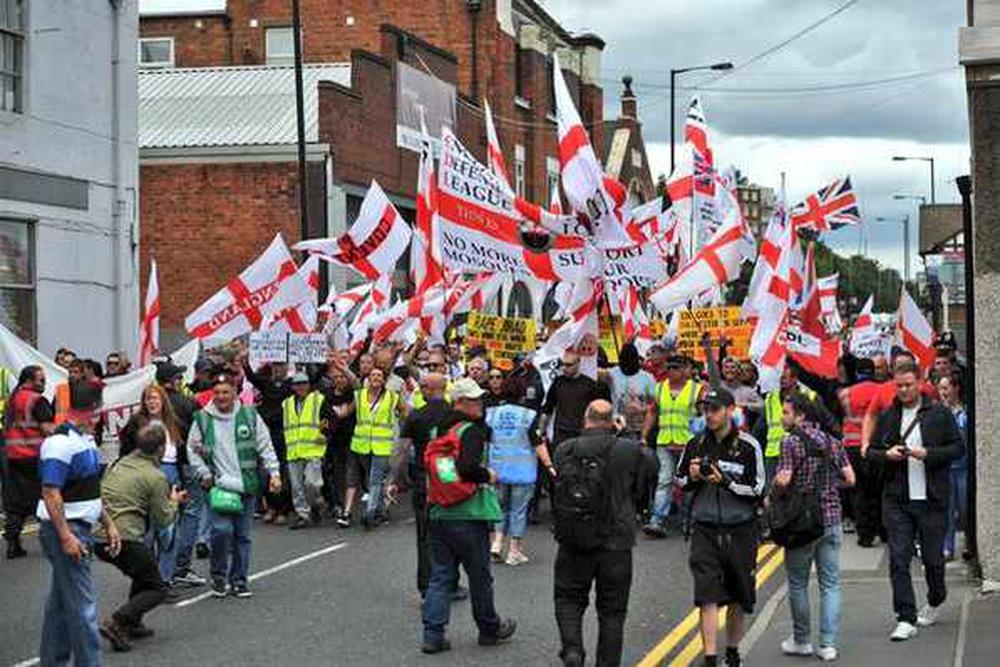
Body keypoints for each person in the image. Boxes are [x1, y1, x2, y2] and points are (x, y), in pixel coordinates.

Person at [552, 400, 657, 667]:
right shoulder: (628, 450)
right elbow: (653, 468)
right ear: (613, 420)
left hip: (574, 536)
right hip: (616, 540)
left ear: (585, 418)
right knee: (612, 612)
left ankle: (573, 650)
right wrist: (625, 435)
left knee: (568, 598)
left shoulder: (565, 449)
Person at [868, 361, 964, 641]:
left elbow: (958, 448)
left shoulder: (938, 414)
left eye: (908, 384)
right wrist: (887, 455)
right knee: (898, 558)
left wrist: (928, 454)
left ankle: (936, 597)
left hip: (932, 500)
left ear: (920, 382)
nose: (904, 390)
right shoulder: (887, 417)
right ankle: (905, 617)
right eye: (898, 386)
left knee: (933, 561)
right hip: (897, 500)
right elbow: (871, 452)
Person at [421, 378, 516, 654]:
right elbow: (465, 468)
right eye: (474, 400)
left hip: (439, 512)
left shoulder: (438, 431)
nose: (480, 404)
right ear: (460, 402)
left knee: (441, 576)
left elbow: (438, 470)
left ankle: (433, 635)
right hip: (469, 514)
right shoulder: (470, 431)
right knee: (479, 576)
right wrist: (487, 474)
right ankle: (489, 629)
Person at [676, 388, 765, 667]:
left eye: (714, 409)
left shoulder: (748, 445)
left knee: (738, 596)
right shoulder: (696, 442)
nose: (709, 415)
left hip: (740, 530)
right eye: (705, 409)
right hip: (705, 529)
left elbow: (759, 488)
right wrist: (692, 479)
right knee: (707, 595)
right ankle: (711, 658)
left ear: (729, 410)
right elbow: (679, 481)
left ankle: (733, 651)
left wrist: (725, 481)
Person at [36, 399, 120, 667]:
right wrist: (65, 536)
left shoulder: (85, 440)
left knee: (60, 605)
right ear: (80, 412)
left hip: (77, 526)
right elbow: (50, 492)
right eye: (94, 413)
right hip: (68, 529)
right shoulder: (59, 443)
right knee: (84, 608)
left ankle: (53, 662)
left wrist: (108, 523)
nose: (98, 419)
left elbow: (90, 490)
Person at [773, 394, 855, 662]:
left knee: (798, 583)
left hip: (802, 523)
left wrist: (773, 492)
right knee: (830, 584)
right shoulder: (833, 442)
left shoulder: (791, 441)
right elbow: (850, 479)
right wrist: (829, 487)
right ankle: (828, 645)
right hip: (831, 519)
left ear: (800, 416)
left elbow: (784, 480)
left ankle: (802, 640)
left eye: (786, 412)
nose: (781, 417)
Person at [187, 374, 282, 598]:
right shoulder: (202, 419)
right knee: (221, 530)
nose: (221, 397)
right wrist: (203, 473)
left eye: (226, 392)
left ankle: (239, 580)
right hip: (218, 486)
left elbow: (265, 444)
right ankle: (219, 577)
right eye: (217, 392)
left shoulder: (249, 415)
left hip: (246, 485)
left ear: (235, 393)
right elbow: (192, 449)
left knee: (242, 535)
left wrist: (274, 473)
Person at [95, 424, 185, 652]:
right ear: (161, 449)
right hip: (123, 538)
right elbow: (164, 519)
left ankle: (133, 623)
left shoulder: (118, 463)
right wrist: (174, 501)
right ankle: (116, 621)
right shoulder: (155, 476)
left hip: (97, 535)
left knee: (143, 571)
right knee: (157, 588)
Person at [118, 383, 198, 589]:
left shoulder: (175, 423)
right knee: (148, 533)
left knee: (169, 531)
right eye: (148, 398)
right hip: (145, 475)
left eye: (155, 398)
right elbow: (125, 450)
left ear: (163, 401)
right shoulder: (137, 423)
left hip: (172, 475)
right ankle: (148, 578)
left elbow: (185, 452)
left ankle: (165, 580)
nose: (152, 402)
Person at [154, 360, 206, 583]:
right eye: (179, 378)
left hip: (160, 465)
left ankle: (162, 566)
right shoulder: (189, 403)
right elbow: (204, 432)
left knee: (165, 515)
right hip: (187, 463)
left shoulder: (152, 405)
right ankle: (180, 567)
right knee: (191, 513)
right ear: (174, 381)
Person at [641, 354, 703, 538]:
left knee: (688, 484)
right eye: (669, 368)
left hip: (688, 444)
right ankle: (656, 521)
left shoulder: (697, 390)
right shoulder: (660, 388)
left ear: (685, 370)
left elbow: (704, 416)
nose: (671, 371)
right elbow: (653, 412)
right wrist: (644, 435)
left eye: (676, 368)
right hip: (665, 442)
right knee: (664, 481)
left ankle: (689, 521)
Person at [486, 388, 548, 566]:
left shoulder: (492, 414)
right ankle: (514, 551)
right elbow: (537, 443)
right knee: (518, 511)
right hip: (522, 471)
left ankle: (497, 544)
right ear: (522, 396)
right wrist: (549, 465)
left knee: (500, 508)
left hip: (498, 469)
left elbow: (487, 441)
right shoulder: (528, 415)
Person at [343, 367, 407, 528]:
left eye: (379, 375)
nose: (376, 377)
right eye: (373, 375)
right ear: (368, 380)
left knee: (375, 479)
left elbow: (404, 410)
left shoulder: (392, 397)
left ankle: (369, 513)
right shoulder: (359, 396)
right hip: (361, 445)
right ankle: (380, 510)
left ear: (384, 380)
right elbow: (347, 412)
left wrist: (400, 423)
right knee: (371, 480)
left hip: (382, 445)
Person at [3, 365, 55, 558]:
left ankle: (13, 544)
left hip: (12, 456)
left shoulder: (12, 398)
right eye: (41, 380)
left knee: (15, 501)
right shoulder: (37, 400)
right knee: (45, 498)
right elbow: (48, 429)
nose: (44, 383)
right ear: (29, 381)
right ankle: (51, 543)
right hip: (34, 455)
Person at [837, 358, 883, 546]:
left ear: (856, 373)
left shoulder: (845, 393)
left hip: (852, 446)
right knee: (877, 489)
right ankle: (882, 528)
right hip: (874, 445)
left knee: (858, 491)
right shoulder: (882, 391)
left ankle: (865, 534)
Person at [243, 359, 293, 524]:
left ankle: (282, 509)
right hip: (267, 433)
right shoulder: (266, 384)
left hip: (285, 433)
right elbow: (250, 376)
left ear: (287, 368)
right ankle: (271, 506)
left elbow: (312, 379)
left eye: (281, 366)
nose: (278, 369)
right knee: (265, 472)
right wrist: (245, 360)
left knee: (283, 472)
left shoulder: (291, 385)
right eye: (275, 366)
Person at [283, 372, 328, 529]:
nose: (301, 387)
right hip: (294, 450)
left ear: (309, 385)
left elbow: (330, 419)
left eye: (304, 383)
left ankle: (315, 504)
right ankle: (303, 515)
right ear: (293, 387)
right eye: (298, 384)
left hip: (313, 450)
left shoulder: (318, 400)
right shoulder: (287, 404)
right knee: (296, 487)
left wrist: (325, 434)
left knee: (311, 484)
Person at [936, 372, 968, 561]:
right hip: (945, 469)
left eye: (946, 388)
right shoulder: (937, 413)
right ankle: (947, 548)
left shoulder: (965, 413)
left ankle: (969, 542)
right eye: (940, 388)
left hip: (963, 469)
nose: (943, 392)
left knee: (964, 510)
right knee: (946, 510)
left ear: (956, 388)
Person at [321, 359, 357, 524]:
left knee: (350, 473)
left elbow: (358, 385)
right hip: (334, 441)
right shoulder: (327, 395)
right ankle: (336, 504)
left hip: (351, 439)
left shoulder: (352, 393)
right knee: (335, 475)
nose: (340, 380)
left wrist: (346, 369)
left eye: (343, 377)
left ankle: (347, 509)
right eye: (336, 377)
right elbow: (324, 416)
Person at [607, 342, 656, 441]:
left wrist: (644, 435)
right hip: (618, 427)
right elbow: (593, 372)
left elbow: (653, 407)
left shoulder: (648, 378)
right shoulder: (612, 374)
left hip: (639, 428)